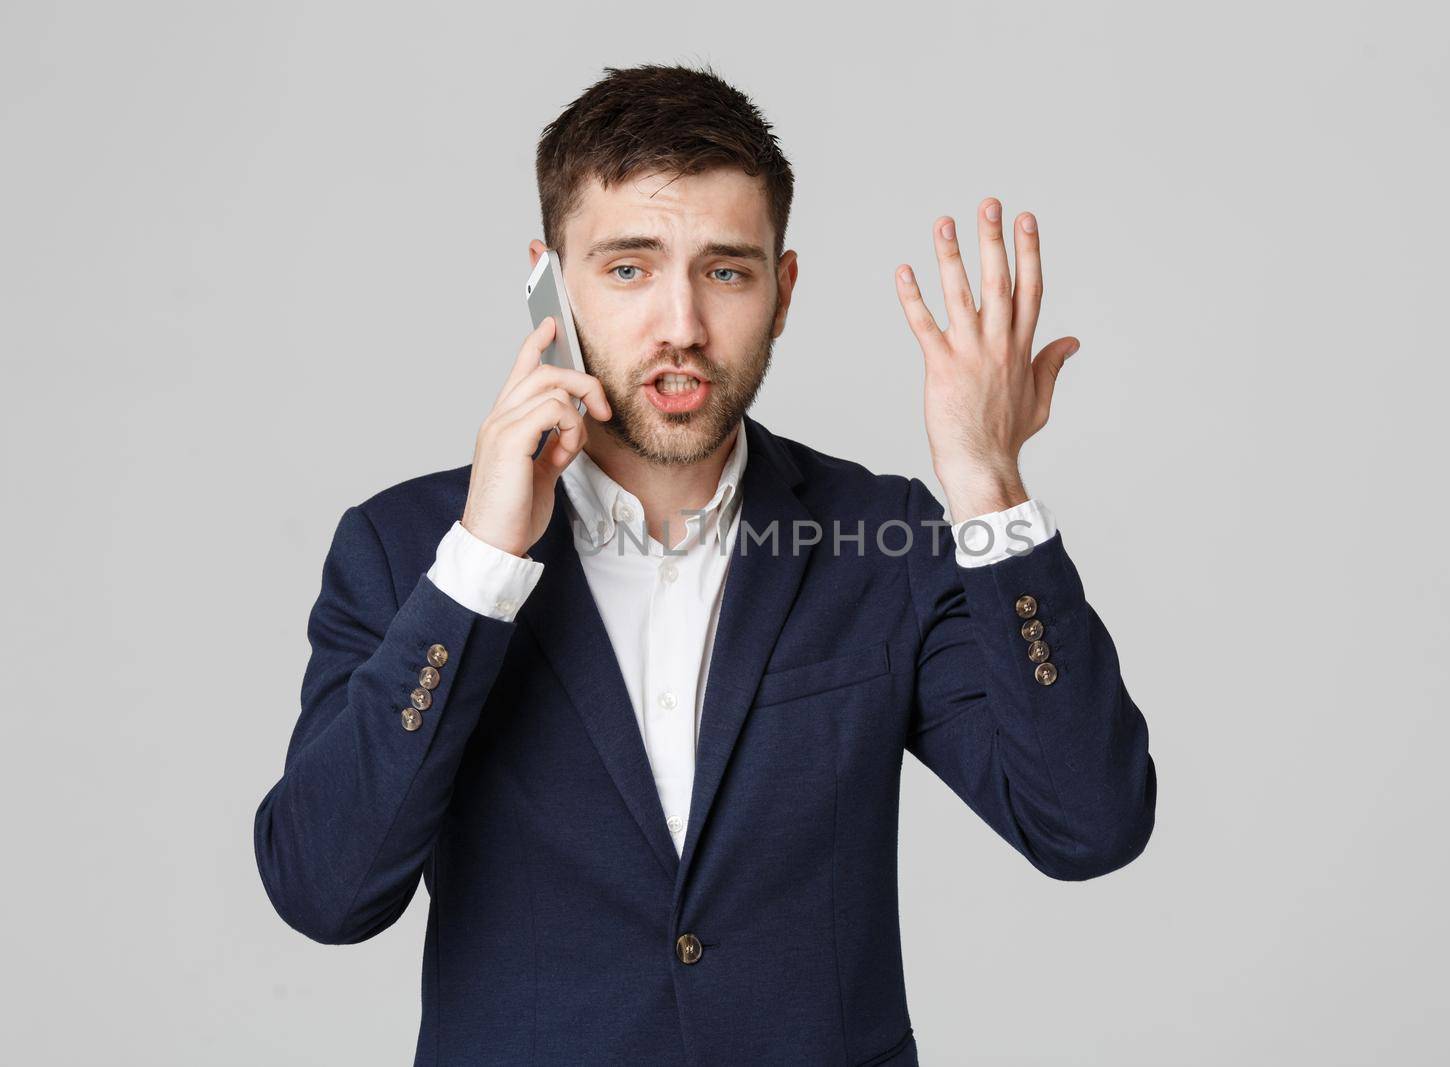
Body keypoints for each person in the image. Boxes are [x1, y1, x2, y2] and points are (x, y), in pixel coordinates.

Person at [253, 61, 1157, 1067]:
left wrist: (989, 483)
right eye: (628, 267)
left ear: (782, 292)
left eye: (725, 270)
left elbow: (1087, 824)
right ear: (547, 284)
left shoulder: (881, 538)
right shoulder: (402, 551)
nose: (680, 325)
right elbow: (326, 890)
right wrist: (479, 567)